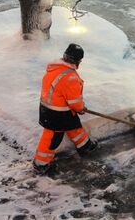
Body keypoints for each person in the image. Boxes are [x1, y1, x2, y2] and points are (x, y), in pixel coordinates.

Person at [33, 43, 98, 174]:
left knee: (74, 126)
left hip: (50, 108)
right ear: (78, 61)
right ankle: (41, 163)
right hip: (57, 113)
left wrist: (77, 108)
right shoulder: (70, 77)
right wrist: (80, 108)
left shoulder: (55, 69)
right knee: (52, 138)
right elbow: (74, 101)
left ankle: (85, 146)